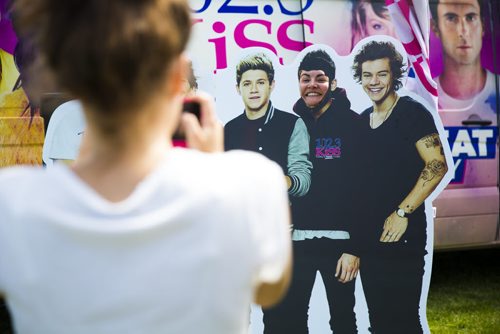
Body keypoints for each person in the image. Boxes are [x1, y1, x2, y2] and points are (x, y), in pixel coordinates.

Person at [1, 1, 292, 333]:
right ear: (177, 77)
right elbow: (268, 288)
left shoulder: (12, 206)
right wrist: (214, 172)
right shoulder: (253, 186)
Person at [352, 40, 448, 333]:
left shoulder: (410, 112)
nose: (374, 82)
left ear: (394, 75)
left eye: (381, 74)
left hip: (404, 237)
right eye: (368, 75)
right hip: (371, 241)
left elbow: (436, 165)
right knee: (379, 322)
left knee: (404, 321)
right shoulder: (361, 121)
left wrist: (402, 213)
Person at [263, 49, 361, 334]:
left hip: (339, 242)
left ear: (332, 83)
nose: (312, 85)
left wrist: (354, 247)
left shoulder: (352, 125)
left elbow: (361, 187)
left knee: (343, 321)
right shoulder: (291, 124)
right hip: (299, 241)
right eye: (305, 79)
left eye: (320, 78)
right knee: (293, 320)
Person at [224, 52, 312, 197]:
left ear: (271, 85)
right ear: (238, 89)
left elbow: (303, 181)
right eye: (247, 84)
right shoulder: (230, 128)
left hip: (282, 216)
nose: (253, 90)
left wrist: (275, 180)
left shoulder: (293, 124)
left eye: (260, 82)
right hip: (240, 215)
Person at [431, 0, 496, 115]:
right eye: (451, 18)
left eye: (471, 18)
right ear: (435, 28)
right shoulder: (425, 97)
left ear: (483, 26)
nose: (463, 31)